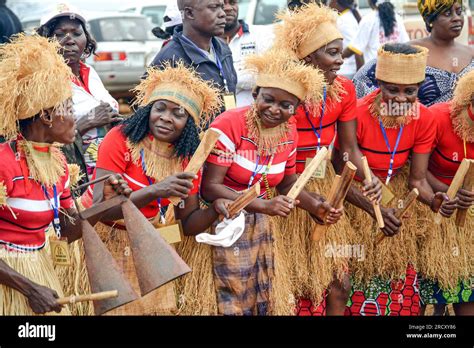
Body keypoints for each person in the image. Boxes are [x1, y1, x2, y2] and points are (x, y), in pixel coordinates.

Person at [81, 61, 234, 315]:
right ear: (147, 110)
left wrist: (215, 210)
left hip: (152, 244)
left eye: (178, 113)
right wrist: (156, 191)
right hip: (106, 241)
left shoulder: (188, 159)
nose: (165, 117)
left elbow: (187, 225)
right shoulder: (120, 139)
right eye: (159, 108)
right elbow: (100, 210)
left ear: (189, 122)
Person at [201, 49, 344, 315]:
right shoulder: (230, 124)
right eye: (268, 99)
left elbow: (288, 183)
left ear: (296, 109)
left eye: (286, 105)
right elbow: (210, 188)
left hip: (261, 227)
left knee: (263, 302)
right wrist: (264, 206)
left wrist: (316, 206)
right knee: (231, 304)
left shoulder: (289, 131)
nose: (274, 110)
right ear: (255, 94)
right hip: (222, 222)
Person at [0, 34, 130, 315]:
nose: (76, 117)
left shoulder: (57, 162)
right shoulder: (3, 164)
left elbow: (69, 231)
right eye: (70, 109)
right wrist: (29, 288)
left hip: (40, 275)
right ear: (47, 116)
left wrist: (103, 202)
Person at [271, 2, 382, 316]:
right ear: (308, 57)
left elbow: (347, 150)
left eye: (341, 52)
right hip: (285, 186)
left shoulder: (345, 89)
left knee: (338, 282)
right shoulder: (284, 91)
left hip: (324, 184)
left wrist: (367, 177)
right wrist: (309, 202)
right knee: (292, 282)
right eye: (333, 52)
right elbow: (279, 167)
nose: (340, 59)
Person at [339, 43, 457, 316]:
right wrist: (372, 207)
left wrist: (434, 200)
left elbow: (417, 181)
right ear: (378, 83)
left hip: (398, 208)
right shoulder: (356, 113)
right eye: (392, 89)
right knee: (358, 291)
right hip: (357, 202)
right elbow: (342, 171)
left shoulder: (425, 119)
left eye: (410, 91)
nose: (400, 99)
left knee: (400, 297)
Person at [37, 3, 122, 179]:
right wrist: (88, 121)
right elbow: (41, 143)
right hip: (75, 179)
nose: (70, 40)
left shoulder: (90, 73)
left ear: (86, 38)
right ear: (44, 40)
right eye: (59, 34)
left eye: (77, 33)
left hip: (108, 170)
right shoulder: (44, 83)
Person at [421, 70, 474, 315]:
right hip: (432, 204)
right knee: (430, 293)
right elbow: (415, 171)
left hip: (468, 216)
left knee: (466, 290)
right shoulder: (439, 117)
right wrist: (446, 192)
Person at [352, 0, 473, 105]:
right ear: (429, 19)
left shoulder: (471, 53)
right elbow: (362, 81)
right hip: (421, 130)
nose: (456, 18)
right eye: (447, 13)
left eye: (459, 12)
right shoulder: (408, 53)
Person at [149, 0, 237, 118]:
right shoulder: (169, 59)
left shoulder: (222, 47)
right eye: (213, 7)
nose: (222, 13)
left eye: (221, 7)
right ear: (189, 13)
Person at [220, 0, 274, 107]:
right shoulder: (206, 41)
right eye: (222, 4)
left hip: (252, 114)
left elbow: (267, 75)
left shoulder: (262, 35)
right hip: (220, 117)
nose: (228, 8)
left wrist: (225, 80)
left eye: (232, 2)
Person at [342, 0, 409, 68]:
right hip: (393, 70)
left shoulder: (369, 19)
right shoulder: (397, 18)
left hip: (374, 72)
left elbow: (356, 49)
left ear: (370, 1)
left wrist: (338, 56)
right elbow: (406, 45)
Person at [328, 0, 363, 77]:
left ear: (335, 2)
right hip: (346, 68)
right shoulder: (347, 17)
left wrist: (359, 75)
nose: (328, 5)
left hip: (346, 69)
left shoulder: (344, 20)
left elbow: (356, 48)